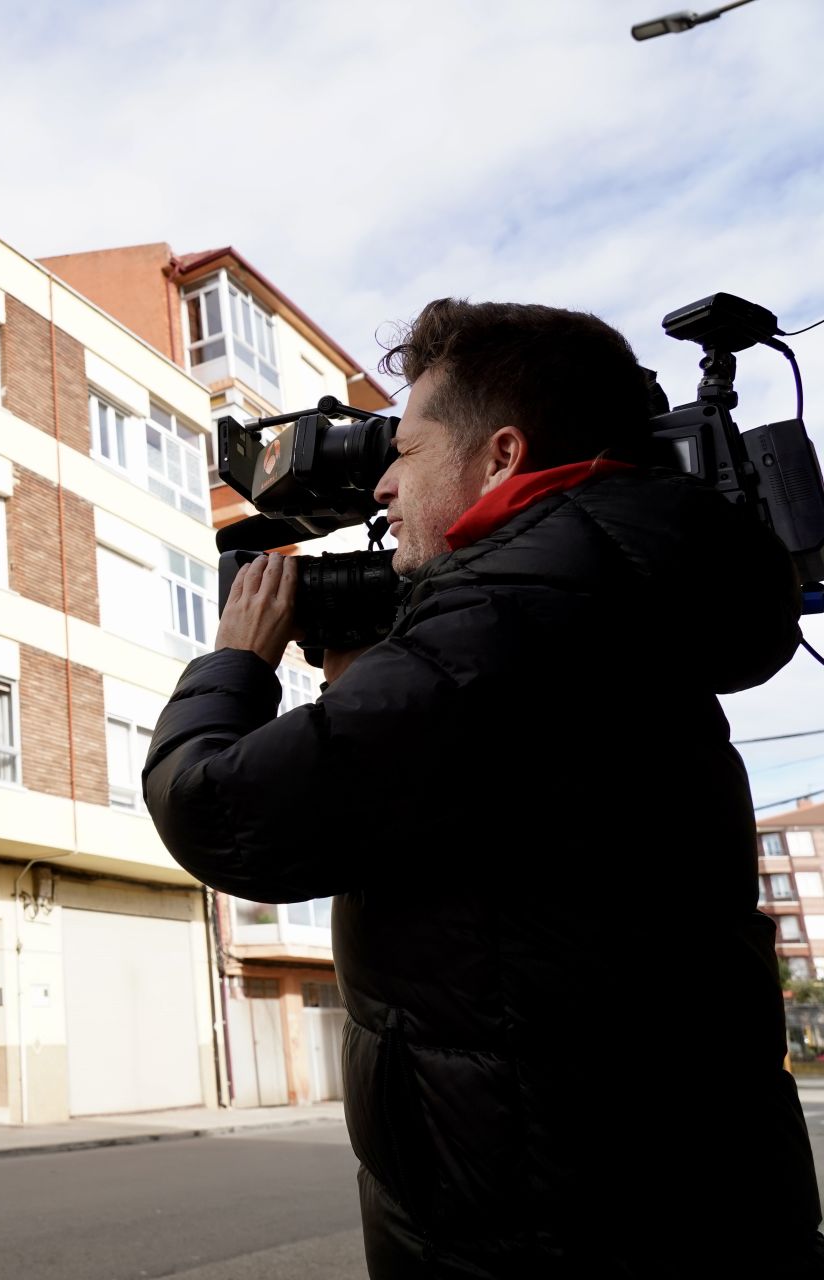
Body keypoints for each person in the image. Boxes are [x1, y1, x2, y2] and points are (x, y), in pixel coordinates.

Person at [142, 299, 821, 1277]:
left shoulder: (500, 633)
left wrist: (237, 662)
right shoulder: (617, 611)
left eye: (405, 450)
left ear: (501, 456)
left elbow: (215, 809)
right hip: (690, 1206)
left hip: (542, 1233)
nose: (380, 483)